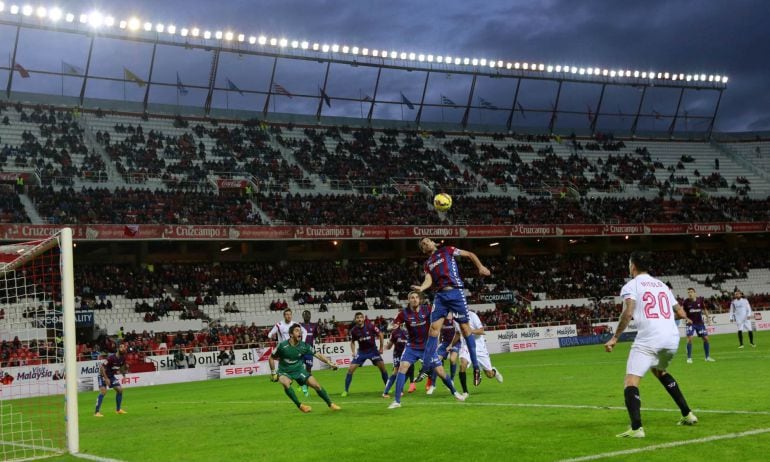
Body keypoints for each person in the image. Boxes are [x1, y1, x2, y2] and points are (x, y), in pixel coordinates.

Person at [604, 251, 698, 438]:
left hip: (649, 338)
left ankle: (637, 428)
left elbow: (628, 312)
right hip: (671, 338)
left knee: (631, 381)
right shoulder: (662, 285)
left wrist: (615, 337)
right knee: (659, 371)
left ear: (633, 266)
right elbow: (679, 312)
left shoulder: (632, 285)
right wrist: (669, 319)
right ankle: (688, 414)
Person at [412, 238, 491, 387]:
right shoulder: (427, 264)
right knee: (433, 330)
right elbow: (428, 280)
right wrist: (422, 288)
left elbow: (469, 254)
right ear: (423, 250)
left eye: (427, 241)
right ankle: (425, 368)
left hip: (455, 292)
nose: (426, 243)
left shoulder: (446, 250)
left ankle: (475, 368)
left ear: (434, 243)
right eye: (423, 244)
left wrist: (480, 267)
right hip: (440, 296)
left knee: (465, 329)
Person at [387, 291, 465, 409]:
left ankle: (455, 392)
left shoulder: (427, 309)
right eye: (412, 297)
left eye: (416, 297)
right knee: (402, 368)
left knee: (440, 371)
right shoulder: (403, 314)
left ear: (420, 299)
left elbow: (437, 319)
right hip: (411, 347)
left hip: (427, 347)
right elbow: (392, 325)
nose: (414, 299)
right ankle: (397, 401)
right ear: (409, 300)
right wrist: (392, 326)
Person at [269, 323, 341, 413]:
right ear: (291, 334)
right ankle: (300, 406)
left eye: (300, 331)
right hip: (285, 371)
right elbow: (271, 357)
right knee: (285, 383)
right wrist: (273, 373)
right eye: (297, 331)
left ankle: (331, 404)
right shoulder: (282, 346)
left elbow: (317, 354)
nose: (300, 333)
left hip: (299, 370)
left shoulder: (304, 346)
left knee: (317, 385)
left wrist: (329, 363)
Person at [451, 310, 503, 398]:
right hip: (466, 345)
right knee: (462, 364)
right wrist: (450, 345)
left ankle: (494, 371)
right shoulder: (455, 319)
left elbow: (482, 331)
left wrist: (470, 331)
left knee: (489, 375)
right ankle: (465, 392)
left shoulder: (472, 315)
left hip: (479, 346)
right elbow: (457, 333)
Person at [341, 312, 388, 397]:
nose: (359, 319)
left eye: (360, 317)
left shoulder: (370, 326)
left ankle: (387, 387)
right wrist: (353, 352)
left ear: (363, 319)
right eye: (357, 318)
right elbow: (352, 342)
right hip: (362, 352)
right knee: (350, 369)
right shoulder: (354, 330)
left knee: (382, 367)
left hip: (373, 351)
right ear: (355, 320)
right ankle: (346, 390)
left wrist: (381, 348)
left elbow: (380, 334)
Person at [427, 313, 461, 395]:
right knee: (436, 361)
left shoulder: (455, 318)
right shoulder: (441, 319)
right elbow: (438, 333)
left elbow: (458, 333)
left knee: (452, 359)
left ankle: (451, 380)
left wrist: (451, 345)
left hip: (455, 342)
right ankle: (433, 385)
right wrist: (437, 344)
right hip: (445, 342)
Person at [95, 343, 129, 417]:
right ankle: (96, 412)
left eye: (124, 348)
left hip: (111, 376)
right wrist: (106, 378)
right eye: (121, 347)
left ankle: (118, 410)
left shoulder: (123, 358)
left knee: (120, 390)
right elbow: (102, 368)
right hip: (102, 375)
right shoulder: (111, 358)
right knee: (103, 391)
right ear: (118, 349)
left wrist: (124, 375)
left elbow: (122, 367)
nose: (123, 348)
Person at [681, 288, 715, 363]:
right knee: (689, 339)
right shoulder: (686, 302)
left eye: (691, 292)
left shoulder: (700, 300)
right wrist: (687, 319)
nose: (690, 293)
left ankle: (707, 357)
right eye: (688, 292)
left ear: (695, 293)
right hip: (691, 323)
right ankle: (689, 358)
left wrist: (708, 318)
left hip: (700, 323)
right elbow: (682, 312)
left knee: (706, 338)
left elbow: (704, 309)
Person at [382, 322, 415, 397]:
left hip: (407, 355)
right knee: (396, 372)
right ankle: (385, 392)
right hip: (398, 355)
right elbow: (389, 346)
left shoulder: (409, 332)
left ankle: (400, 389)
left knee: (406, 372)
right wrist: (384, 347)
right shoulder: (395, 333)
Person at [299, 310, 320, 397]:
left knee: (308, 370)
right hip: (300, 350)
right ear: (303, 316)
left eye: (308, 314)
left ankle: (306, 388)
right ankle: (301, 384)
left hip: (309, 351)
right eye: (305, 315)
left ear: (310, 316)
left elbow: (316, 335)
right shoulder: (300, 325)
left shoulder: (314, 325)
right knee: (298, 369)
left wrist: (317, 339)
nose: (307, 316)